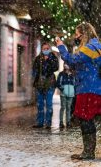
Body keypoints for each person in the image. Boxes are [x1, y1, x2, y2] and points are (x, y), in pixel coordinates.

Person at [56, 22, 101, 160]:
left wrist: (61, 47)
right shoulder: (97, 46)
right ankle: (89, 151)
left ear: (84, 34)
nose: (76, 37)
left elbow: (72, 60)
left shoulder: (89, 48)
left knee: (85, 119)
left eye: (77, 34)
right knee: (92, 118)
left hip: (88, 88)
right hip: (96, 87)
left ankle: (88, 152)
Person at [32, 42, 59, 129]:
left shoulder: (53, 58)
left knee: (49, 104)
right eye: (44, 49)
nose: (45, 50)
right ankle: (40, 122)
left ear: (49, 49)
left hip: (50, 84)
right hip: (39, 84)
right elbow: (35, 69)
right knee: (40, 104)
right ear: (42, 49)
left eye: (47, 48)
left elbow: (56, 68)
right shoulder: (38, 58)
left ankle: (48, 123)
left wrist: (49, 60)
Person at [56, 63, 75, 129]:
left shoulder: (73, 74)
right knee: (63, 107)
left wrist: (74, 91)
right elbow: (58, 83)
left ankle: (68, 122)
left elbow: (75, 83)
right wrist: (62, 89)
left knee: (68, 108)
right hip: (63, 93)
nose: (66, 65)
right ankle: (61, 122)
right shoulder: (61, 74)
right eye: (65, 64)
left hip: (71, 94)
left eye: (67, 64)